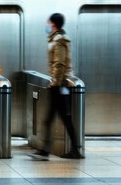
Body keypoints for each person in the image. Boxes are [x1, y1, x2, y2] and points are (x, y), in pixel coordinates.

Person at [28, 13, 84, 161]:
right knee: (60, 118)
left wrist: (55, 83)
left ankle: (48, 151)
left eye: (48, 22)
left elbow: (59, 64)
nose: (46, 24)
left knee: (57, 119)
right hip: (59, 85)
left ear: (53, 23)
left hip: (60, 86)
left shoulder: (59, 40)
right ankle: (69, 150)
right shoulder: (56, 38)